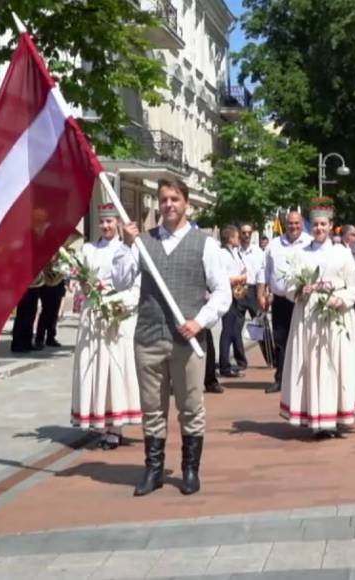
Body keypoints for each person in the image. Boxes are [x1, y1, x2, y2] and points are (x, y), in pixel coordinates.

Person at [113, 178, 230, 497]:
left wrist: (200, 321)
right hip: (149, 338)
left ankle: (190, 469)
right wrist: (127, 243)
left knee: (191, 407)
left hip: (186, 341)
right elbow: (121, 282)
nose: (168, 205)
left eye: (175, 199)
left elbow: (222, 292)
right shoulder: (143, 242)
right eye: (163, 199)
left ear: (186, 203)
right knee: (152, 408)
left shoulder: (203, 243)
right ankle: (153, 470)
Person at [279, 200, 355, 438]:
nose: (319, 228)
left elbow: (354, 287)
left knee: (335, 363)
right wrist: (300, 290)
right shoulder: (300, 253)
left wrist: (341, 300)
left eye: (323, 224)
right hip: (308, 317)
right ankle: (317, 416)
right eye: (315, 224)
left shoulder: (342, 253)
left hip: (335, 316)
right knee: (312, 363)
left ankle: (338, 414)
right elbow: (288, 286)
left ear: (331, 226)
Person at [71, 204, 142, 450]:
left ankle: (116, 426)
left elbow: (135, 284)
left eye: (110, 222)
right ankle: (99, 420)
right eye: (102, 222)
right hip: (93, 317)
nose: (105, 226)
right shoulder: (89, 249)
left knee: (115, 369)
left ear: (119, 224)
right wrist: (82, 286)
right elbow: (81, 282)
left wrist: (120, 304)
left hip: (116, 318)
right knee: (93, 367)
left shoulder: (129, 249)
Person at [259, 211, 312, 393]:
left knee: (304, 339)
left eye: (297, 223)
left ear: (302, 224)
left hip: (303, 300)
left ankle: (304, 379)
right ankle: (280, 379)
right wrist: (262, 294)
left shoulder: (309, 243)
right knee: (281, 340)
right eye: (290, 223)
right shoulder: (274, 245)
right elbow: (264, 272)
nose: (294, 227)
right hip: (280, 300)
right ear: (285, 224)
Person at [233, 222, 267, 372]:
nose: (246, 236)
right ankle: (241, 361)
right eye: (243, 233)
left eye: (249, 233)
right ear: (239, 234)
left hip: (253, 290)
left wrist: (263, 293)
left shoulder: (258, 252)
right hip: (239, 289)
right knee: (236, 327)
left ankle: (269, 357)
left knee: (258, 325)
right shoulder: (234, 252)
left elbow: (262, 273)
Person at [217, 225, 245, 380]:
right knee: (227, 330)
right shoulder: (222, 254)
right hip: (227, 294)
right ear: (230, 238)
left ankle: (229, 362)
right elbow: (221, 275)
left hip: (235, 294)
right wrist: (236, 279)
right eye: (236, 236)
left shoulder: (234, 253)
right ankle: (224, 365)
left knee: (233, 329)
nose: (238, 239)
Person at [35, 254, 66, 348]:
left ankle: (50, 337)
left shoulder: (61, 251)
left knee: (54, 311)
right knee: (46, 311)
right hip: (46, 282)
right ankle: (39, 338)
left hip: (58, 282)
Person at [11, 272, 45, 353]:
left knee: (31, 315)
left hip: (34, 286)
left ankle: (27, 343)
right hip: (24, 284)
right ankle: (17, 344)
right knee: (23, 315)